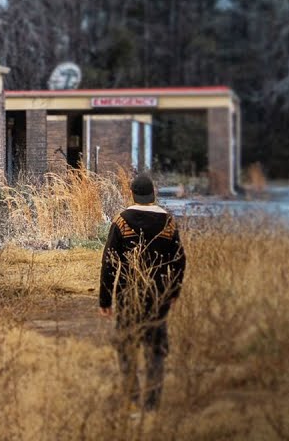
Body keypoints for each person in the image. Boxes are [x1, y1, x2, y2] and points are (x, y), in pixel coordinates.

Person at [99, 173, 187, 412]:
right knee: (155, 350)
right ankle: (152, 403)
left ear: (133, 194)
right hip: (158, 296)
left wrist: (105, 299)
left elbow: (109, 263)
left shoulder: (121, 221)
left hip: (128, 296)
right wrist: (174, 291)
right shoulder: (168, 222)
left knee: (126, 347)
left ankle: (133, 398)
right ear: (153, 194)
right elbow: (179, 260)